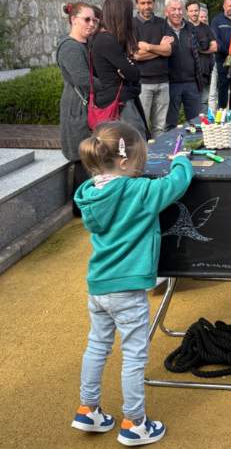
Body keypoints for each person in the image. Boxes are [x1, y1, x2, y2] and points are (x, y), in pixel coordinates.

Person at [71, 120, 193, 445]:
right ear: (124, 161)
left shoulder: (91, 194)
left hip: (99, 285)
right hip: (127, 289)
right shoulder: (137, 191)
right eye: (139, 158)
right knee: (134, 356)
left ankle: (87, 408)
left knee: (97, 346)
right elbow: (175, 185)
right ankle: (134, 423)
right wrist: (182, 161)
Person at [57, 1, 100, 216]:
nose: (91, 23)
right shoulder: (70, 47)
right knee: (83, 157)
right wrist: (111, 85)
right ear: (74, 20)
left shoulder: (85, 44)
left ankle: (86, 208)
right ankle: (81, 210)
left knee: (89, 157)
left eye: (94, 20)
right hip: (77, 108)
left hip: (85, 106)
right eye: (87, 19)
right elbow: (83, 80)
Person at [92, 0, 149, 139]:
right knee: (136, 144)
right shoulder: (106, 40)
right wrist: (129, 67)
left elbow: (130, 71)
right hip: (120, 104)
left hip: (119, 100)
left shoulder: (103, 38)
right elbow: (134, 74)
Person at [132, 0, 174, 138]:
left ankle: (159, 153)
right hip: (142, 84)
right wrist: (159, 48)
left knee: (160, 128)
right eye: (142, 3)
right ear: (137, 4)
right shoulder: (132, 25)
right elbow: (137, 55)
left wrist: (149, 47)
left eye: (149, 2)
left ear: (154, 3)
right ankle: (144, 153)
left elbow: (168, 51)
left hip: (163, 83)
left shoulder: (163, 23)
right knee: (141, 127)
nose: (146, 6)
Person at [164, 0, 203, 129]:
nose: (177, 12)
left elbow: (198, 51)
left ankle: (196, 143)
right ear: (166, 11)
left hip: (191, 83)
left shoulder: (190, 28)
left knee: (196, 124)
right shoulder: (161, 29)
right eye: (173, 9)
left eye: (180, 9)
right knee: (170, 125)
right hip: (170, 84)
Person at [186, 0, 217, 109]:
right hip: (189, 74)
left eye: (196, 10)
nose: (194, 13)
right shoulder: (184, 28)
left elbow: (214, 47)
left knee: (204, 101)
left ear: (199, 11)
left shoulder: (206, 28)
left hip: (205, 71)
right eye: (191, 11)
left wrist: (200, 50)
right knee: (191, 104)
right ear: (187, 12)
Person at [211, 0, 231, 108]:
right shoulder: (216, 21)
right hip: (222, 59)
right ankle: (222, 111)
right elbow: (216, 39)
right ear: (224, 6)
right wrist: (230, 51)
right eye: (229, 6)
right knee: (223, 86)